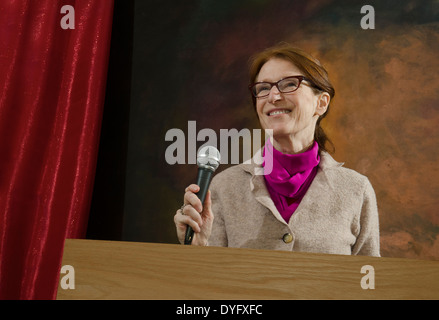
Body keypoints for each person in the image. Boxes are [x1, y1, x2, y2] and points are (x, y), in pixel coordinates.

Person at [173, 43, 380, 256]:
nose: (273, 97)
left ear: (322, 103)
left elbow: (370, 283)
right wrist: (197, 251)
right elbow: (209, 283)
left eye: (289, 84)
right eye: (263, 88)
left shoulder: (356, 189)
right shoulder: (224, 187)